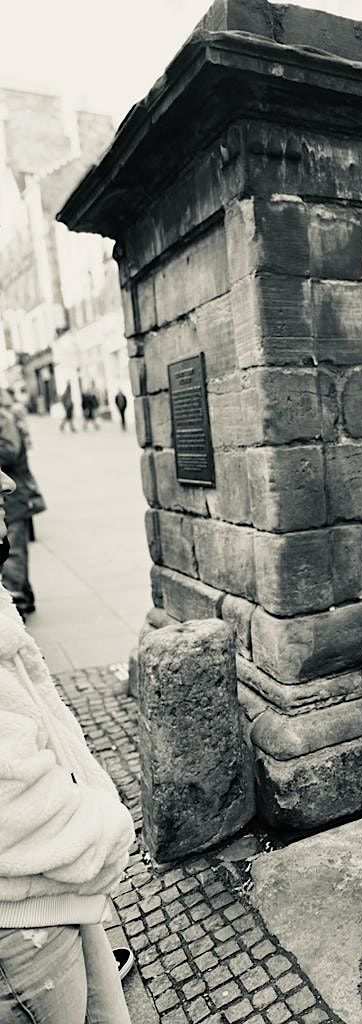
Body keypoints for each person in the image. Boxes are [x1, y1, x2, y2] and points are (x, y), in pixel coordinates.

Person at [0, 467, 136, 1021]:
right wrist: (100, 833)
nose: (7, 484)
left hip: (42, 903)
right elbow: (13, 803)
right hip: (22, 919)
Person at [0, 392, 39, 619]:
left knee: (12, 549)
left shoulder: (3, 418)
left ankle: (19, 600)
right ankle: (23, 595)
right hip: (14, 498)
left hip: (12, 500)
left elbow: (10, 451)